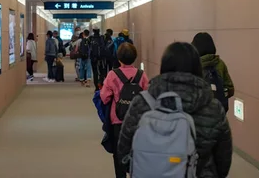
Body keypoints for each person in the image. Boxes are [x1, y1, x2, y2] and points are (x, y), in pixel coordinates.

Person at [118, 42, 233, 177]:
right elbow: (223, 161)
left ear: (164, 66)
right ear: (198, 67)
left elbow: (124, 152)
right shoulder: (213, 108)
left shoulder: (143, 103)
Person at [100, 43, 149, 178]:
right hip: (138, 122)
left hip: (118, 121)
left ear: (119, 58)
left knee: (118, 154)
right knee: (137, 154)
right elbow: (148, 97)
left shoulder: (112, 75)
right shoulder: (142, 75)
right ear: (135, 57)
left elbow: (104, 98)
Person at [192, 32, 234, 113]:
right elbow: (230, 90)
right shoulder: (220, 63)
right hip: (218, 112)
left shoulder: (193, 64)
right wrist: (218, 93)